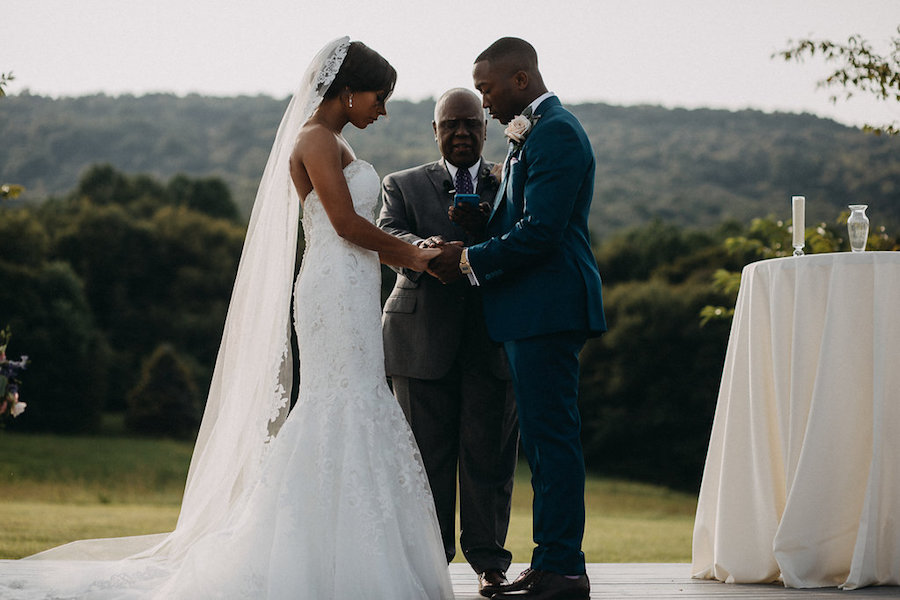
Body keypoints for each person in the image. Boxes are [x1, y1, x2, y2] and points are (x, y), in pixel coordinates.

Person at [0, 37, 453, 600]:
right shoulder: (314, 139)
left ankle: (339, 551)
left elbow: (363, 235)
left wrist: (416, 252)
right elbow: (341, 224)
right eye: (378, 97)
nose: (382, 110)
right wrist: (409, 254)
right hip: (330, 295)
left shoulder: (333, 141)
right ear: (346, 90)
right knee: (339, 403)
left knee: (357, 400)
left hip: (353, 289)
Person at [429, 37, 607, 600]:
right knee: (543, 440)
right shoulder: (533, 132)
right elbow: (523, 217)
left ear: (521, 80)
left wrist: (467, 259)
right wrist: (488, 214)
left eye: (486, 90)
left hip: (547, 309)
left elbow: (542, 232)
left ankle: (563, 570)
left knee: (552, 441)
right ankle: (553, 561)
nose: (483, 105)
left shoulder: (554, 131)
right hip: (533, 310)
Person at [378, 87, 519, 597]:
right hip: (419, 340)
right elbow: (386, 233)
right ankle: (428, 565)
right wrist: (426, 251)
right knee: (424, 460)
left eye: (470, 124)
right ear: (434, 131)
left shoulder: (511, 181)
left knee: (490, 458)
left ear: (486, 128)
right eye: (450, 125)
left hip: (493, 338)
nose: (461, 133)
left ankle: (490, 564)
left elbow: (526, 241)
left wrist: (484, 235)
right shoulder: (403, 184)